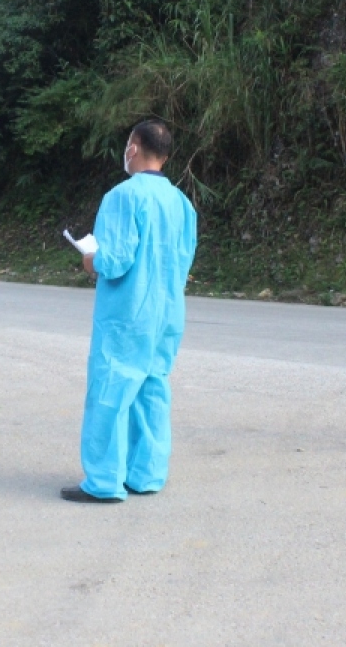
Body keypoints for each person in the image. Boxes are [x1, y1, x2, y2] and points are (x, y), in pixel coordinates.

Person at [61, 120, 198, 503]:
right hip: (167, 312)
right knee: (153, 388)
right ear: (166, 156)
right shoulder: (181, 203)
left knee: (111, 388)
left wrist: (91, 260)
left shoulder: (122, 197)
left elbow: (116, 261)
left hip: (127, 314)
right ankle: (147, 474)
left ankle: (104, 481)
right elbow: (184, 258)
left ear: (133, 147)